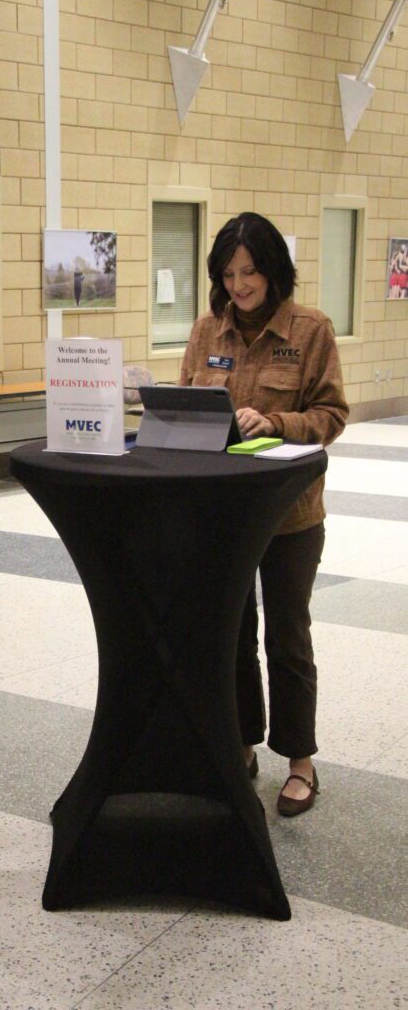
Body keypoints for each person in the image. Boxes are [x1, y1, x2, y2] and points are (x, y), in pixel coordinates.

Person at [180, 212, 348, 816]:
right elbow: (183, 408)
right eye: (228, 275)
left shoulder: (311, 330)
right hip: (222, 514)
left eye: (249, 272)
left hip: (289, 516)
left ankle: (301, 762)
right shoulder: (207, 330)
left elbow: (331, 415)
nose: (239, 285)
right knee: (231, 635)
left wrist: (275, 422)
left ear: (274, 270)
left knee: (287, 636)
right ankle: (242, 744)